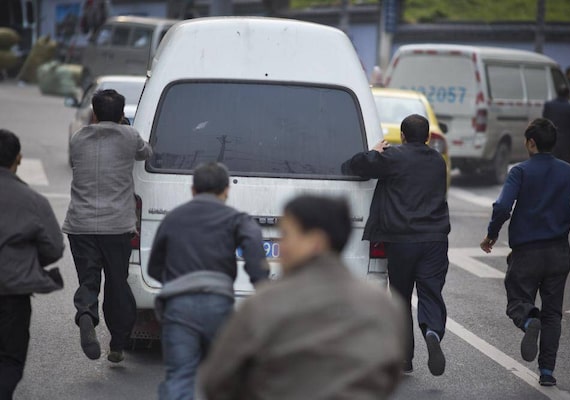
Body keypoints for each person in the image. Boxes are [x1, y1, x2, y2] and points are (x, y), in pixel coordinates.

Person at [200, 195, 408, 400]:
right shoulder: (385, 305)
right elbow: (390, 374)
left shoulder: (264, 304)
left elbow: (217, 380)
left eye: (286, 235)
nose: (280, 245)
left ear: (315, 242)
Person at [480, 118, 570, 387]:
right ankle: (547, 371)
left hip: (527, 253)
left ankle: (528, 321)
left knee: (518, 300)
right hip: (558, 253)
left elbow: (502, 207)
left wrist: (492, 234)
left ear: (531, 143)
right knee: (553, 313)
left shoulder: (520, 172)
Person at [147, 162, 269, 400]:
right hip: (218, 305)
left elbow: (154, 267)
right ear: (226, 190)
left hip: (178, 307)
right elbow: (253, 240)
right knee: (225, 378)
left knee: (179, 377)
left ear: (193, 190)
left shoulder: (173, 218)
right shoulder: (236, 219)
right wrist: (261, 283)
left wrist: (176, 283)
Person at [341, 114, 450, 376]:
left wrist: (374, 152)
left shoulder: (394, 157)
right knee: (431, 292)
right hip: (435, 239)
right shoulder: (438, 160)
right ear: (427, 137)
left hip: (402, 240)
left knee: (401, 297)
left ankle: (404, 357)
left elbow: (354, 166)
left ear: (402, 136)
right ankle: (432, 332)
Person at [63, 89, 152, 363]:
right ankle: (117, 344)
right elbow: (147, 152)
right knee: (117, 283)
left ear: (94, 113)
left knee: (89, 279)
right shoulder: (129, 137)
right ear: (122, 114)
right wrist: (124, 126)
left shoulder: (78, 139)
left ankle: (86, 314)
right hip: (117, 227)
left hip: (81, 225)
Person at [0, 129, 64, 399]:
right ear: (19, 159)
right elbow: (54, 247)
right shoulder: (33, 201)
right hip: (12, 295)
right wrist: (27, 260)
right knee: (9, 360)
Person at [543, 84, 570, 164]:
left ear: (557, 93)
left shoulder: (548, 106)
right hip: (567, 145)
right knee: (565, 168)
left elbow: (543, 125)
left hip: (551, 144)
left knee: (551, 167)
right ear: (568, 94)